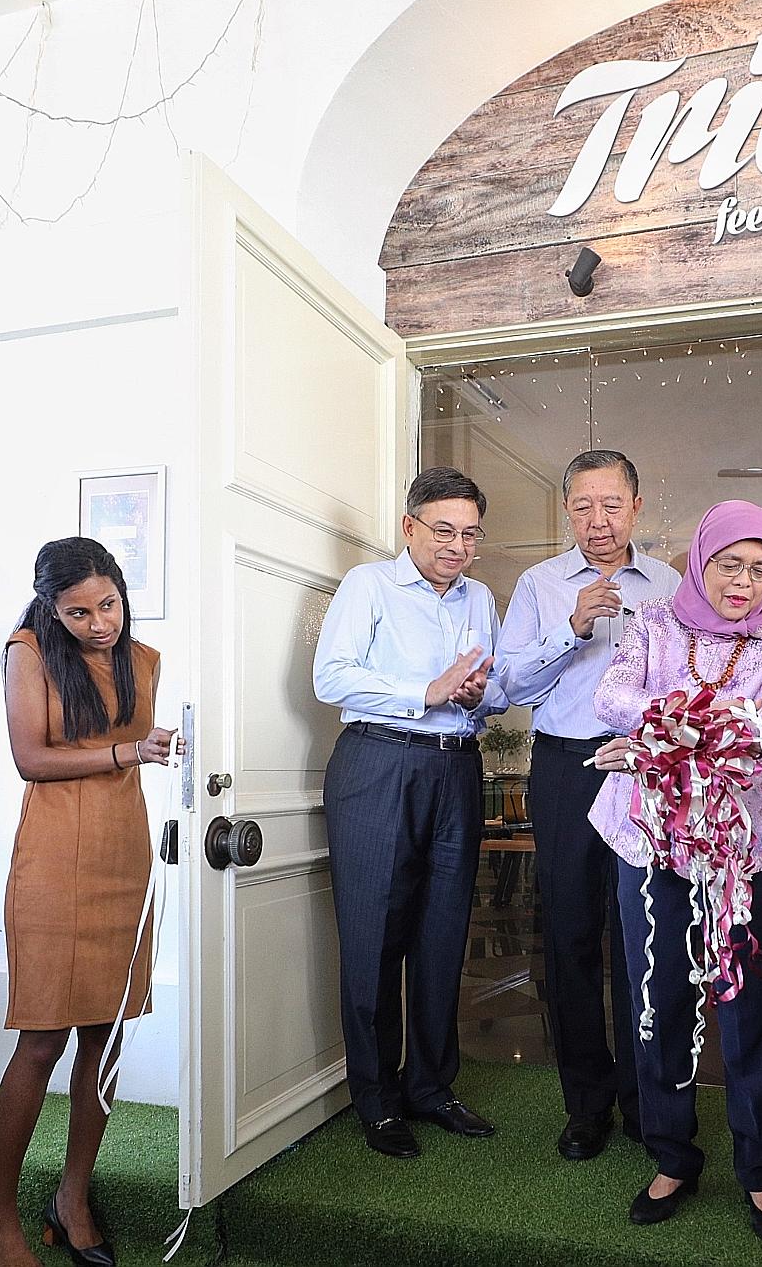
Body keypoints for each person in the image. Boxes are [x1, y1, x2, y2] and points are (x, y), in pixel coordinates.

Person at [590, 500, 762, 1244]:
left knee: (750, 1013)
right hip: (649, 846)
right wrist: (692, 725)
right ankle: (672, 1156)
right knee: (658, 1004)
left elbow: (759, 740)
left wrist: (648, 741)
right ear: (700, 561)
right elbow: (607, 696)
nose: (743, 582)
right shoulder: (652, 624)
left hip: (745, 854)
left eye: (759, 568)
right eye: (728, 564)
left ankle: (761, 1171)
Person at [0, 538, 180, 1267]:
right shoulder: (27, 649)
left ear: (123, 590)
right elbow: (31, 757)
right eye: (79, 612)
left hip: (125, 860)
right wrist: (128, 752)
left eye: (109, 605)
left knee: (106, 1037)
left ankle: (72, 1197)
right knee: (42, 1039)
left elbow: (124, 739)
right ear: (52, 610)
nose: (99, 624)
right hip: (55, 865)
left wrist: (153, 741)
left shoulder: (144, 660)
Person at [312, 466, 504, 1158]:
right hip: (378, 762)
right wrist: (425, 689)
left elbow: (494, 690)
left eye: (469, 533)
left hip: (456, 767)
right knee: (372, 941)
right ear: (410, 527)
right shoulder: (369, 585)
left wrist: (480, 691)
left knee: (442, 935)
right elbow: (329, 675)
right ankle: (377, 1098)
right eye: (444, 530)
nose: (457, 545)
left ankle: (429, 1087)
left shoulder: (480, 596)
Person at [496, 450, 680, 1160]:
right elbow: (508, 684)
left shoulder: (669, 585)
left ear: (636, 506)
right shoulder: (539, 583)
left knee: (645, 939)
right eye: (581, 507)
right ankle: (586, 1104)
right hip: (568, 768)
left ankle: (645, 1097)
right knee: (570, 938)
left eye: (610, 505)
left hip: (645, 770)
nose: (596, 521)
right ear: (566, 511)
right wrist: (567, 628)